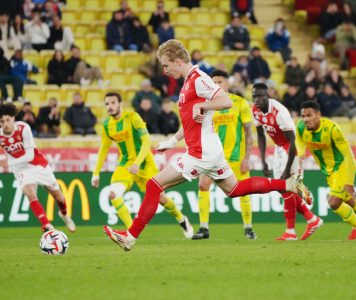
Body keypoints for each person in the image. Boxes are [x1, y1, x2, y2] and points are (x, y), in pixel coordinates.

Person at [103, 39, 312, 251]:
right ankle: (288, 184)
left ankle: (130, 236)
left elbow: (226, 101)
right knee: (235, 189)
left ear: (177, 61)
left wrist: (203, 105)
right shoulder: (188, 81)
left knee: (153, 185)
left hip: (200, 152)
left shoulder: (198, 78)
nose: (165, 70)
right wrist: (172, 141)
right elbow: (191, 120)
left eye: (166, 65)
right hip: (209, 150)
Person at [91, 92, 193, 239]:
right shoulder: (107, 125)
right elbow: (104, 148)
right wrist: (96, 173)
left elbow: (147, 141)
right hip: (125, 165)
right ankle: (130, 232)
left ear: (120, 104)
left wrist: (137, 163)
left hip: (145, 164)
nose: (110, 107)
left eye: (113, 103)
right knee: (113, 194)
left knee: (161, 199)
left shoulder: (133, 117)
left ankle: (181, 219)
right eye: (107, 104)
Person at [297, 101, 356, 240]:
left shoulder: (332, 129)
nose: (305, 119)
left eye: (309, 115)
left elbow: (348, 155)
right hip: (328, 171)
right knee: (350, 202)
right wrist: (301, 153)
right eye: (303, 115)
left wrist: (349, 182)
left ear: (318, 115)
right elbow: (299, 140)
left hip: (341, 167)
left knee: (333, 202)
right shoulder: (300, 127)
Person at [191, 70, 257, 240]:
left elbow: (249, 133)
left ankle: (248, 228)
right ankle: (204, 228)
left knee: (244, 191)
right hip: (211, 157)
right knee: (203, 186)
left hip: (236, 157)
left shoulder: (240, 103)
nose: (216, 85)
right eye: (214, 82)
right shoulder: (205, 105)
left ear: (227, 84)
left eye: (220, 82)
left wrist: (247, 158)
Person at [253, 83, 323, 241]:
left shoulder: (279, 112)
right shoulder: (255, 110)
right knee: (283, 188)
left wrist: (286, 170)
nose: (257, 100)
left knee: (285, 187)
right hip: (279, 147)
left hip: (292, 147)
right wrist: (263, 160)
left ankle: (291, 231)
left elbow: (292, 141)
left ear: (267, 96)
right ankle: (311, 217)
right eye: (254, 96)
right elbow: (260, 135)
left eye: (260, 96)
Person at [0, 103, 76, 232]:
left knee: (60, 198)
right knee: (29, 193)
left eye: (7, 120)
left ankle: (64, 214)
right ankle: (47, 225)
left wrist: (9, 162)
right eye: (1, 121)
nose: (5, 124)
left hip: (37, 164)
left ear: (13, 118)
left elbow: (29, 155)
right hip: (20, 168)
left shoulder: (23, 128)